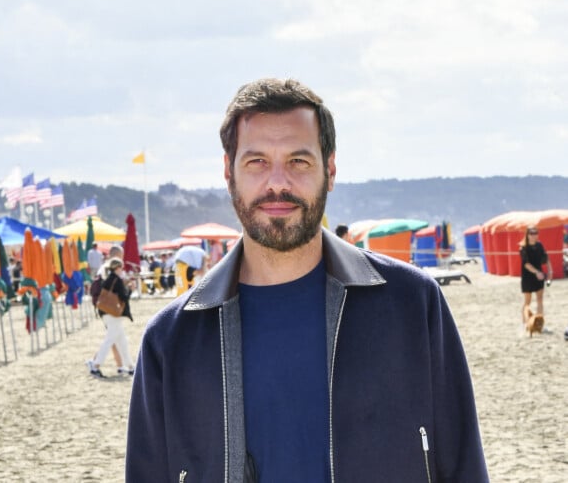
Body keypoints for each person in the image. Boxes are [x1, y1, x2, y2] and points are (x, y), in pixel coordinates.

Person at [126, 78, 488, 482]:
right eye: (257, 162)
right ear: (228, 173)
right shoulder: (172, 340)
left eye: (298, 161)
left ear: (329, 170)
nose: (278, 183)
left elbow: (463, 466)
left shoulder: (413, 305)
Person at [88, 257, 135, 378]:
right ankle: (95, 365)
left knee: (121, 341)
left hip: (106, 312)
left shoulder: (109, 278)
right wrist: (130, 289)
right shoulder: (116, 279)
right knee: (109, 341)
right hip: (113, 314)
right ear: (118, 268)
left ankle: (130, 366)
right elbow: (124, 297)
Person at [520, 226, 552, 325]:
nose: (534, 235)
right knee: (527, 301)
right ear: (527, 235)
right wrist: (537, 272)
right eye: (531, 233)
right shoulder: (523, 248)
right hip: (528, 276)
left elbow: (546, 258)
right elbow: (526, 264)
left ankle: (539, 324)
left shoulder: (539, 245)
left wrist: (550, 271)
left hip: (540, 276)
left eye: (536, 233)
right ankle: (525, 323)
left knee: (540, 299)